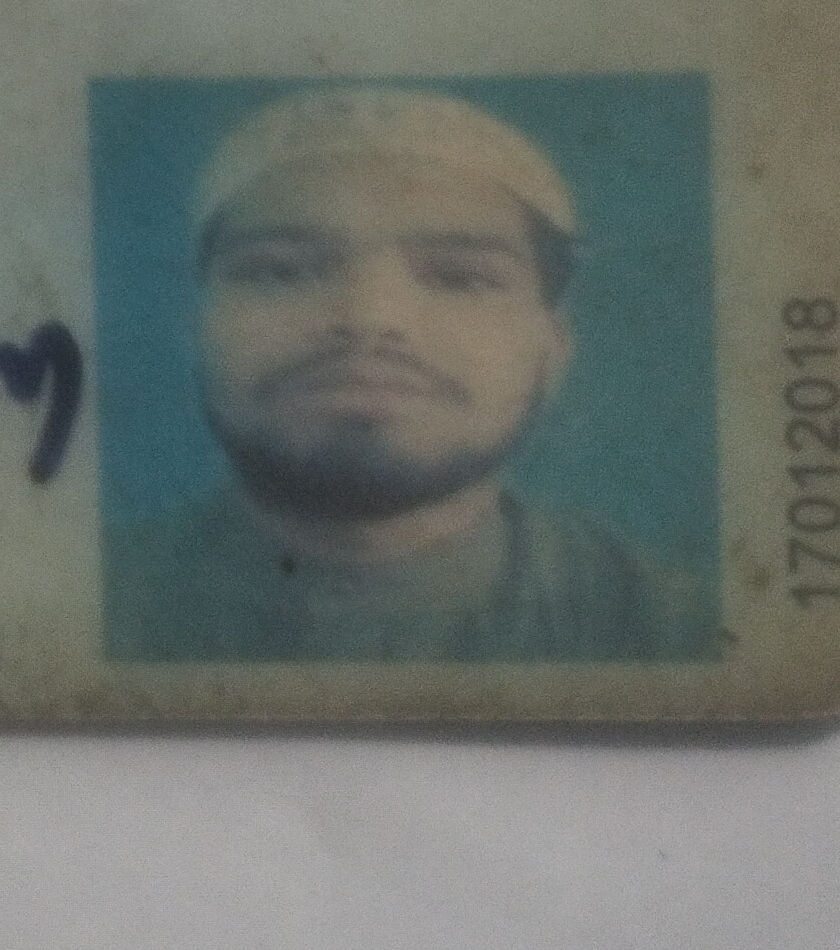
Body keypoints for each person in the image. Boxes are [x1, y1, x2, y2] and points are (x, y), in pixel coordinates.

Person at [101, 86, 714, 664]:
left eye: (458, 278)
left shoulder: (680, 634)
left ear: (552, 349)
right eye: (279, 271)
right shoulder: (81, 609)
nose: (367, 318)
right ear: (196, 331)